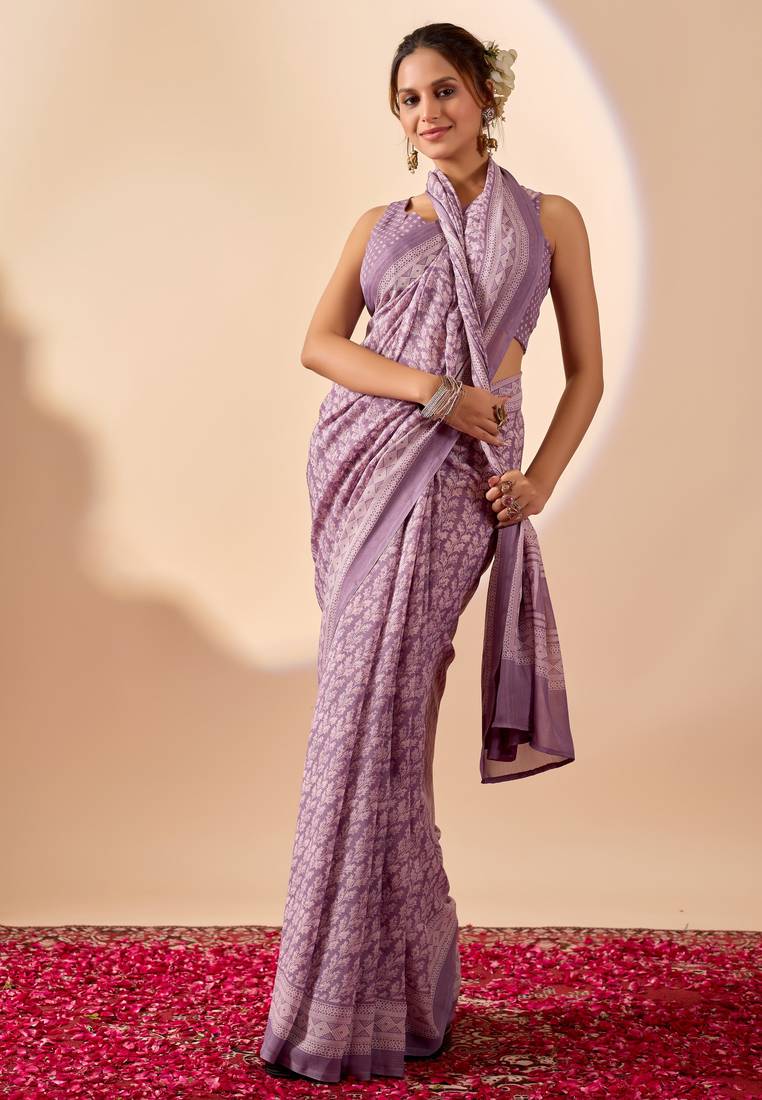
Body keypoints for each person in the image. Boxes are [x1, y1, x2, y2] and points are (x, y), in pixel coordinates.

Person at [258, 21, 603, 1085]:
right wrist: (437, 392)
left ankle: (376, 989)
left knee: (386, 718)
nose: (428, 113)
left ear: (484, 95)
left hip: (459, 493)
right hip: (364, 473)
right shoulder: (381, 226)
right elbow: (320, 344)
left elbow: (584, 372)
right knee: (363, 725)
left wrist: (538, 479)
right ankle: (395, 989)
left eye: (445, 89)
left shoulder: (548, 220)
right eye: (409, 99)